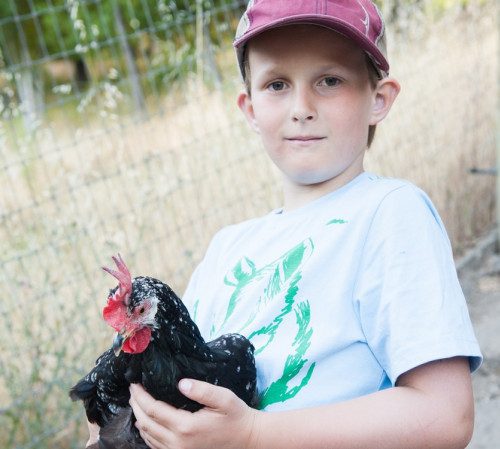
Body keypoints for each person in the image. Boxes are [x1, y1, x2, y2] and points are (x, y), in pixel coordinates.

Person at [89, 1, 483, 447]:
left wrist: (255, 434)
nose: (301, 107)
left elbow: (445, 415)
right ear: (250, 108)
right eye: (277, 84)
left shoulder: (390, 213)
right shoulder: (227, 249)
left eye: (329, 81)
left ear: (379, 99)